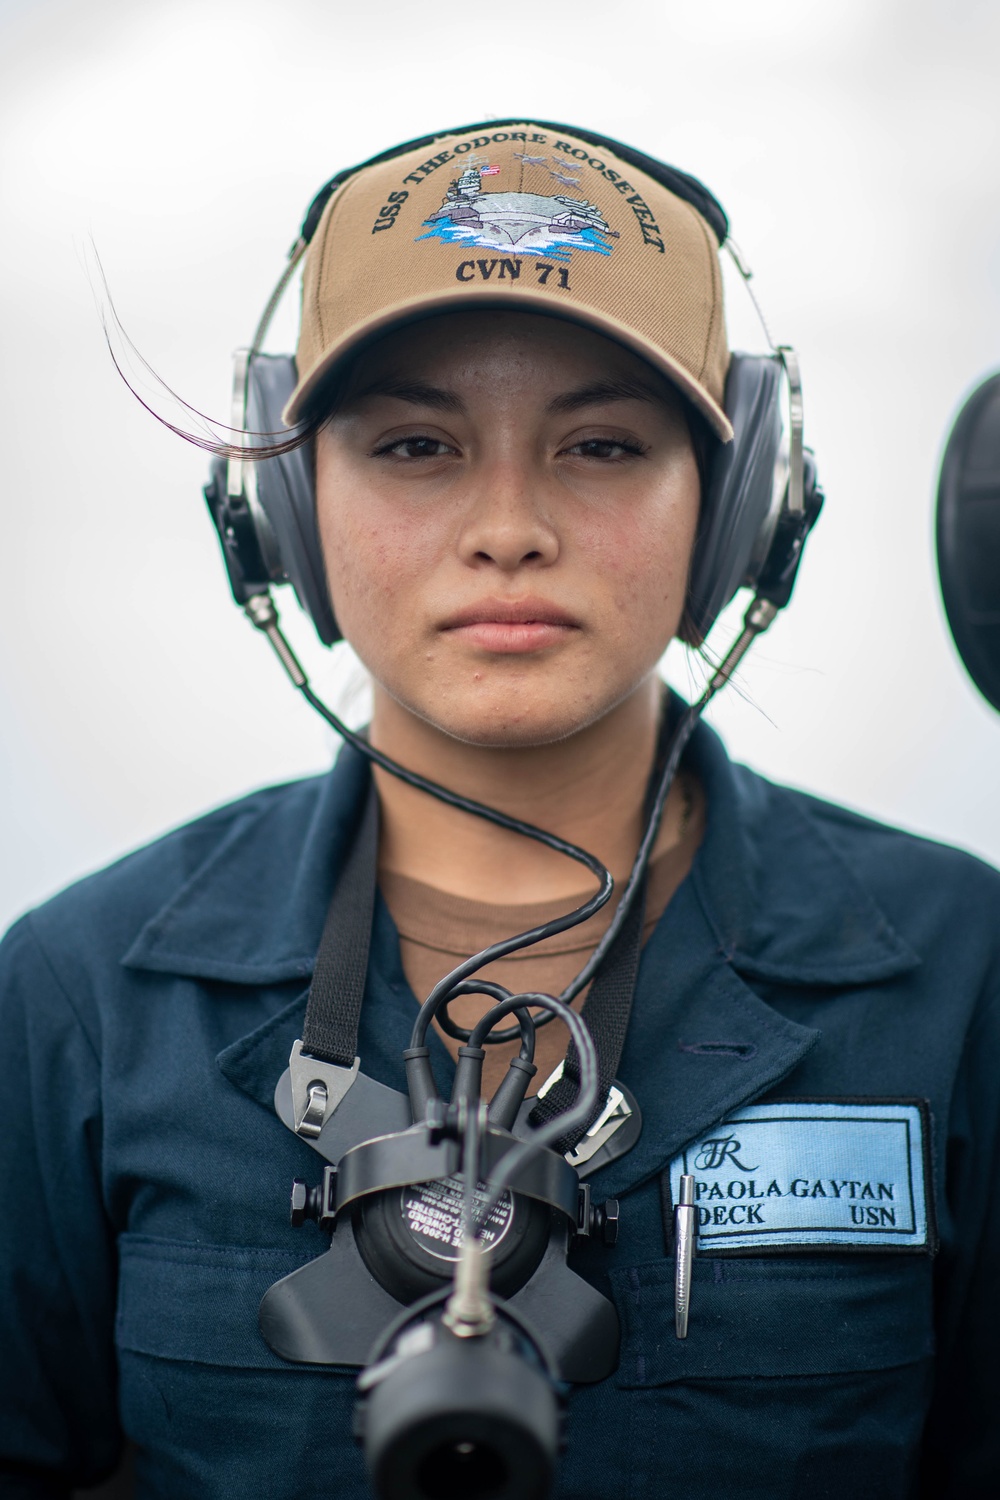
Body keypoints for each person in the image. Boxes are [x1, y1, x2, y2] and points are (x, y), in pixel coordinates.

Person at [1, 119, 998, 1500]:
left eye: (600, 445)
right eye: (416, 445)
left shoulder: (964, 977)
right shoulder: (78, 997)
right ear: (281, 513)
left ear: (739, 513)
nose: (510, 525)